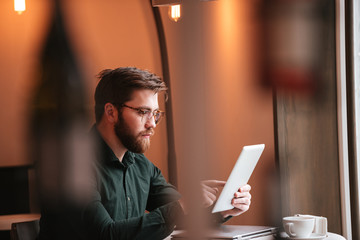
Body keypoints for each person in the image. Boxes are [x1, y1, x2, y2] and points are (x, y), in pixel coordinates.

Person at [38, 67, 251, 240]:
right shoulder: (73, 166)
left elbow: (181, 213)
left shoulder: (141, 165)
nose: (152, 124)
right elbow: (105, 234)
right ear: (111, 112)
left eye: (156, 114)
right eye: (143, 112)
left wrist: (222, 210)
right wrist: (183, 205)